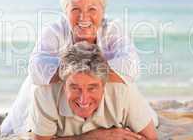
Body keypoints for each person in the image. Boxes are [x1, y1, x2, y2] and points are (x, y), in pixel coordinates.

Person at [1, 0, 158, 134]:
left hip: (92, 94)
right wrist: (78, 72)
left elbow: (132, 67)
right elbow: (36, 70)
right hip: (59, 97)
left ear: (102, 11)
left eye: (92, 9)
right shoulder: (55, 31)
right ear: (65, 11)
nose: (84, 18)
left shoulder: (111, 29)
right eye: (75, 9)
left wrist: (88, 73)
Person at [29, 42, 158, 140]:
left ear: (103, 85)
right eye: (75, 87)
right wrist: (93, 137)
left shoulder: (124, 91)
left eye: (92, 88)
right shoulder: (44, 94)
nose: (83, 99)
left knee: (153, 118)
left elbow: (151, 138)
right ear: (63, 84)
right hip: (35, 116)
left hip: (143, 111)